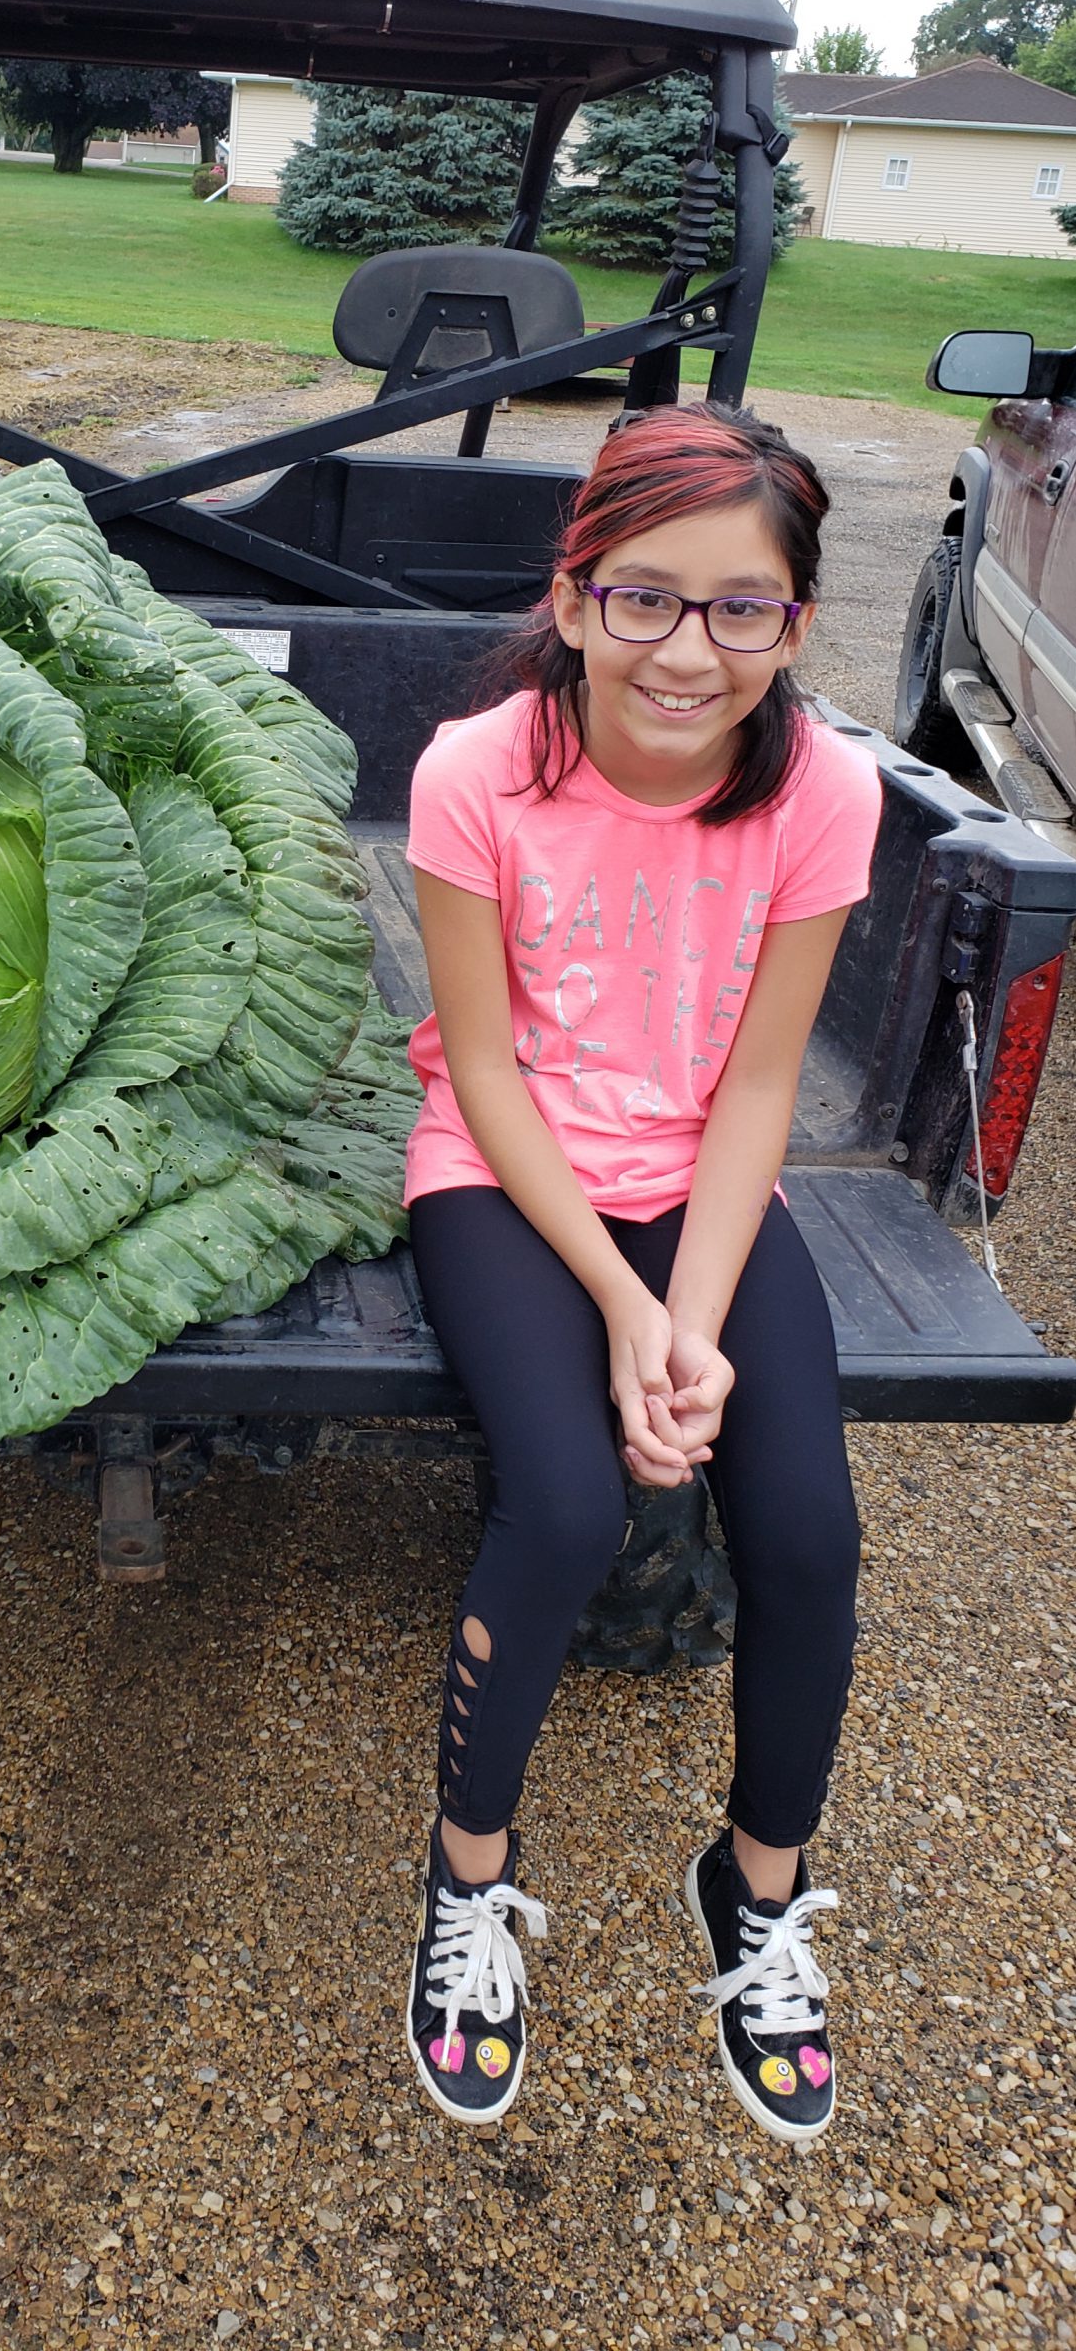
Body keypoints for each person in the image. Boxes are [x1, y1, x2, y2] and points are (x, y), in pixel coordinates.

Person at [401, 401, 881, 2142]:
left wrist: (691, 1319)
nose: (689, 650)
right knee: (564, 1505)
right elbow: (479, 1071)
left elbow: (757, 1084)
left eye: (739, 607)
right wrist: (623, 1314)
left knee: (809, 1533)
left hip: (701, 1180)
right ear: (575, 591)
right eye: (646, 599)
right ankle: (470, 1877)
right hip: (504, 1175)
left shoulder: (821, 788)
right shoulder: (478, 772)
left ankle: (757, 1892)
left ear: (793, 624)